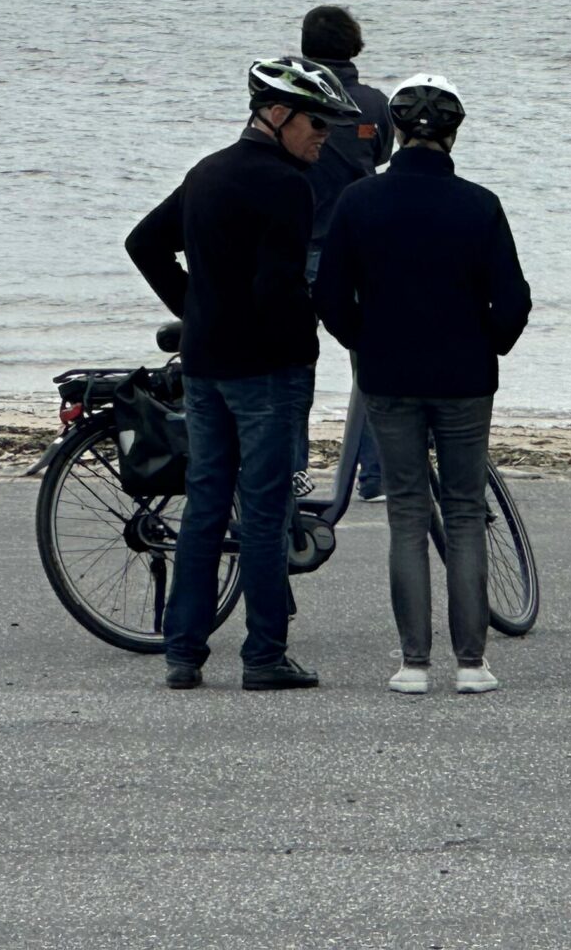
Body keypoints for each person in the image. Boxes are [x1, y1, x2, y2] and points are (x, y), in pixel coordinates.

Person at [126, 58, 359, 690]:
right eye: (317, 122)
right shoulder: (287, 186)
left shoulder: (206, 172)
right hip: (266, 371)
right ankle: (263, 655)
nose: (325, 136)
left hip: (205, 365)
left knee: (205, 505)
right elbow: (278, 287)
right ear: (277, 115)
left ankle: (183, 653)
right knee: (263, 511)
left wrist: (196, 308)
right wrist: (310, 338)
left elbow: (143, 243)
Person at [316, 74, 531, 696]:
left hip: (388, 374)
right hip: (464, 376)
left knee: (408, 515)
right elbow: (513, 301)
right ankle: (472, 664)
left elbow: (329, 294)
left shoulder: (359, 201)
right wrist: (486, 341)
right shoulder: (479, 204)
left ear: (395, 131)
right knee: (465, 513)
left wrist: (364, 339)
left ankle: (414, 662)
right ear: (455, 132)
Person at [294, 3, 396, 501]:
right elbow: (381, 157)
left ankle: (293, 471)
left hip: (298, 246)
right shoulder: (375, 104)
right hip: (358, 247)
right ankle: (374, 474)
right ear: (353, 46)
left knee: (293, 363)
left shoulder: (287, 103)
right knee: (370, 363)